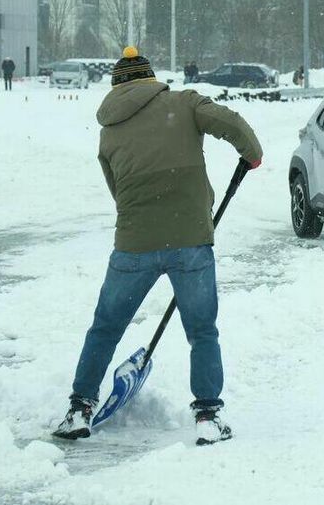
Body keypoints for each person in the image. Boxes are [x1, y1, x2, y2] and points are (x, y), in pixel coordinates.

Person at [53, 46, 263, 446]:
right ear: (151, 79)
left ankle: (79, 408)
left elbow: (118, 192)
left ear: (117, 87)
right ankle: (207, 416)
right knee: (202, 330)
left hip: (134, 244)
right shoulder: (184, 104)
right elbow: (231, 123)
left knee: (106, 327)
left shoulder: (109, 132)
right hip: (190, 241)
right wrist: (251, 155)